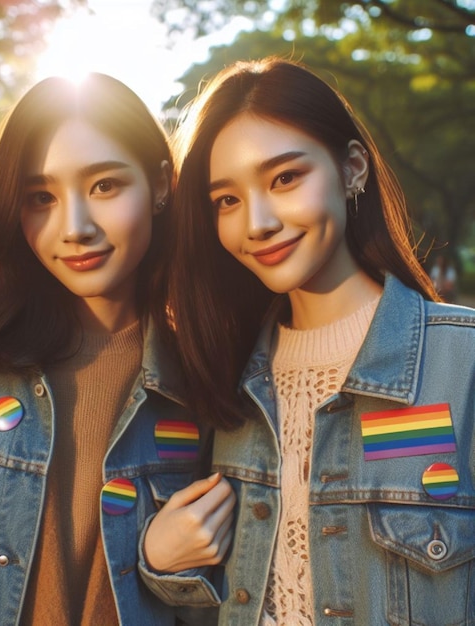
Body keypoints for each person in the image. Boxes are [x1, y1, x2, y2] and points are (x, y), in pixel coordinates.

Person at [0, 72, 234, 625]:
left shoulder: (210, 369)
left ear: (160, 186)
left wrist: (162, 566)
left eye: (104, 185)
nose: (74, 227)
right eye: (41, 197)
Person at [143, 57, 475, 625]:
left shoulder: (459, 365)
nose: (258, 222)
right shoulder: (222, 383)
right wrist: (161, 562)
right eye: (227, 199)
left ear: (351, 169)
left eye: (285, 178)